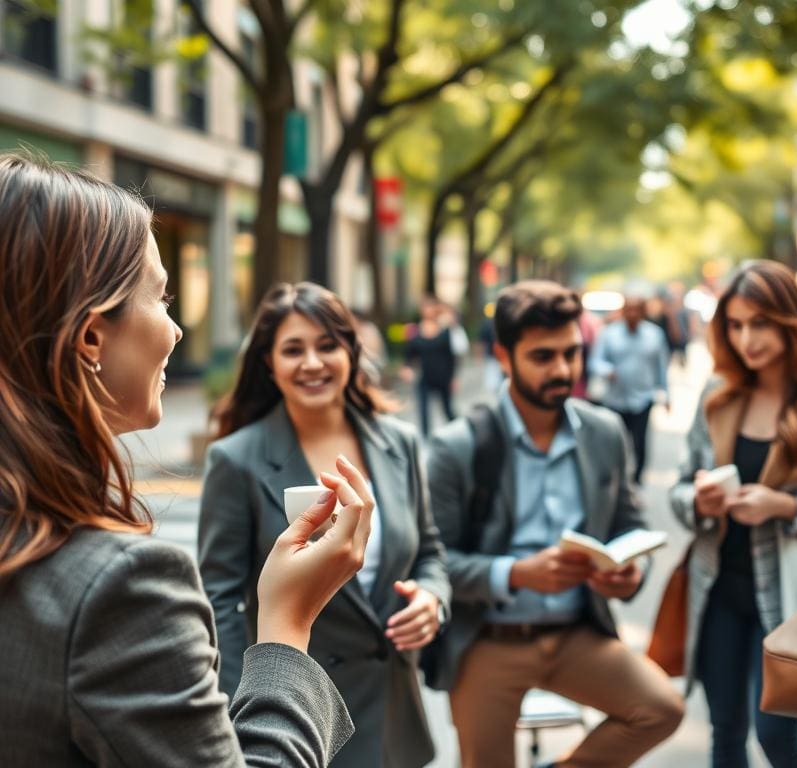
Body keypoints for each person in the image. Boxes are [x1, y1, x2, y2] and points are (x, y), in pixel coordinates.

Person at [0, 154, 372, 767]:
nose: (175, 331)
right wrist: (286, 623)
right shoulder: (117, 588)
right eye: (161, 299)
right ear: (92, 336)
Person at [426, 280, 684, 768]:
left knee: (661, 708)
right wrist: (516, 573)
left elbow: (631, 524)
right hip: (488, 638)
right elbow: (432, 564)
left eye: (572, 353)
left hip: (575, 632)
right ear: (503, 356)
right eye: (543, 357)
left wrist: (630, 572)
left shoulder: (604, 432)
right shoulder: (456, 446)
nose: (563, 370)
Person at [199, 282, 451, 768]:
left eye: (328, 345)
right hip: (298, 716)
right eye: (294, 349)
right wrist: (242, 713)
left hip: (394, 712)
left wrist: (432, 600)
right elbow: (218, 600)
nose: (312, 362)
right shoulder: (235, 460)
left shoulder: (401, 443)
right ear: (269, 364)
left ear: (351, 353)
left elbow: (430, 552)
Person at [669, 260, 797, 768]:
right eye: (736, 324)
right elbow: (680, 488)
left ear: (790, 322)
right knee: (725, 732)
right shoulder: (718, 395)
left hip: (793, 600)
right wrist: (697, 502)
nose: (747, 338)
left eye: (761, 323)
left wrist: (784, 506)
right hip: (718, 589)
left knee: (775, 732)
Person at [589, 294, 670, 481]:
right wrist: (607, 370)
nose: (632, 314)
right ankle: (618, 478)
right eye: (629, 309)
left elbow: (661, 367)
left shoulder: (654, 335)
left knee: (640, 442)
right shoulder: (609, 333)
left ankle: (637, 479)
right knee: (615, 442)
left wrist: (666, 394)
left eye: (637, 310)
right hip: (616, 399)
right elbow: (595, 361)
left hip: (643, 398)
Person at [400, 295, 460, 435]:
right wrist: (406, 368)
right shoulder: (415, 332)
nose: (428, 310)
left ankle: (459, 433)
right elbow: (409, 355)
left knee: (448, 410)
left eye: (430, 307)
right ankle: (426, 438)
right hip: (425, 377)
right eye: (425, 307)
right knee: (423, 411)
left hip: (443, 376)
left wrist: (453, 378)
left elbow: (450, 356)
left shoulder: (445, 331)